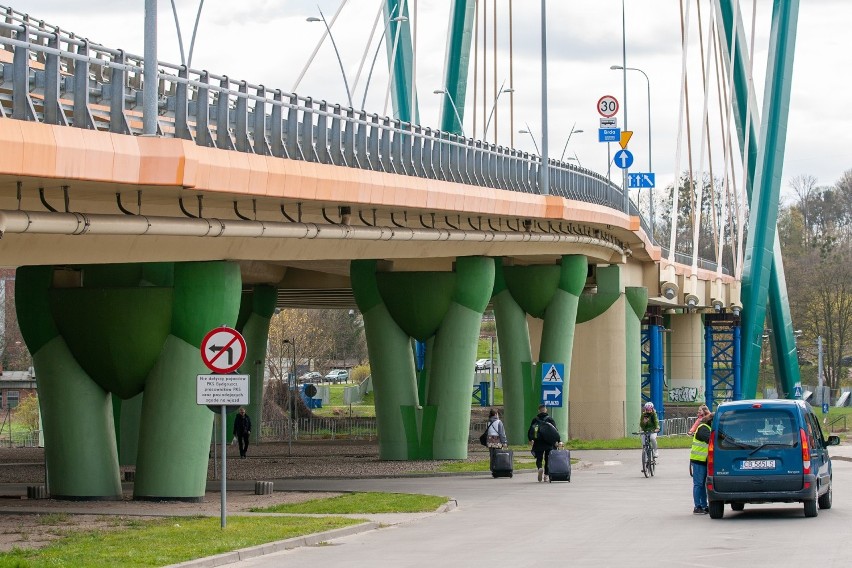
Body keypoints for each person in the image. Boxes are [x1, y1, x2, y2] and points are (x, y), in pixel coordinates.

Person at [528, 404, 560, 482]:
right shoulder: (550, 419)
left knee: (539, 458)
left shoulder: (535, 420)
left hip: (538, 442)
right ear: (546, 410)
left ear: (538, 410)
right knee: (547, 459)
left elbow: (530, 430)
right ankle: (546, 475)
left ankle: (540, 468)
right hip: (549, 443)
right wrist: (557, 441)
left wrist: (530, 439)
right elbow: (555, 431)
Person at [689, 411, 713, 514]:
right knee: (698, 484)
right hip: (699, 460)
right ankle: (697, 506)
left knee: (703, 484)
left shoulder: (708, 428)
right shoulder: (703, 428)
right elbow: (710, 440)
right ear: (711, 421)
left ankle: (704, 505)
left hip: (703, 460)